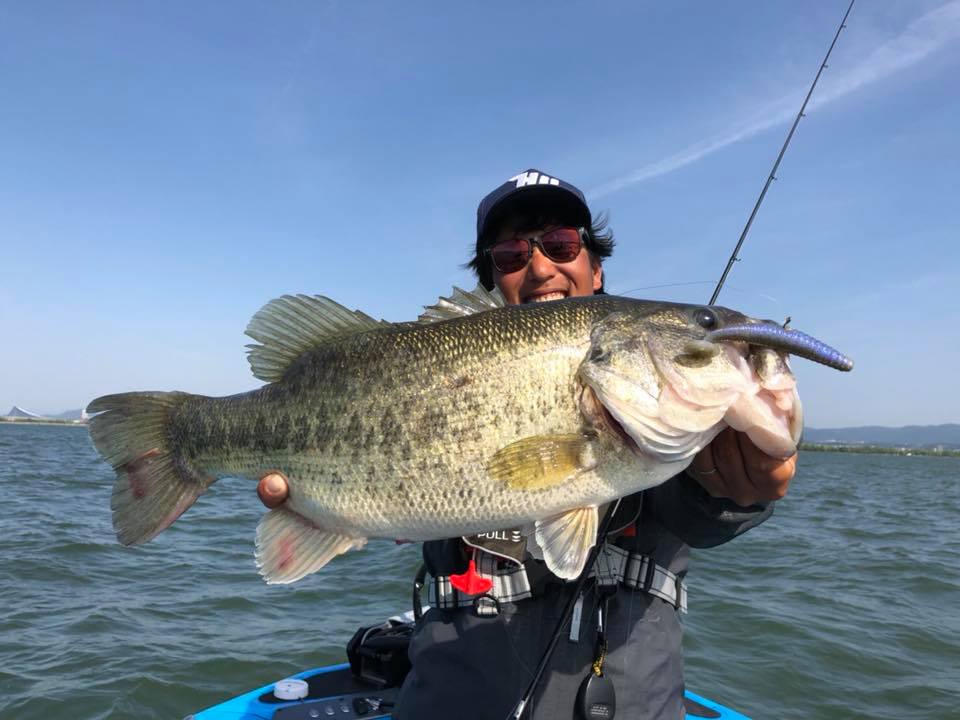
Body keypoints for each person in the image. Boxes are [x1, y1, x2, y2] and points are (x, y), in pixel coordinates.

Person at [257, 169, 796, 719]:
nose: (539, 267)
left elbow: (703, 514)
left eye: (561, 244)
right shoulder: (451, 366)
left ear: (596, 267)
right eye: (511, 254)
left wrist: (734, 491)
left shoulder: (674, 430)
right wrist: (332, 513)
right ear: (493, 282)